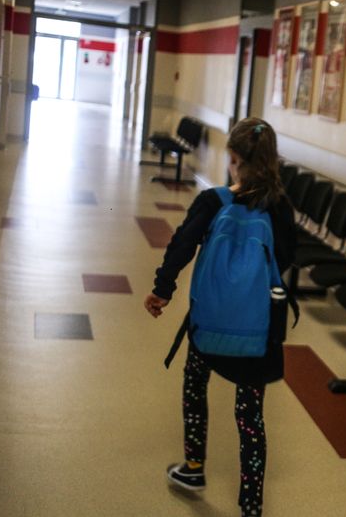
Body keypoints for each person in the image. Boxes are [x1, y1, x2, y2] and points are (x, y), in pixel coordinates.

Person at [144, 118, 296, 517]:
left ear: (233, 158)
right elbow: (286, 258)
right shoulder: (280, 208)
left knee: (195, 385)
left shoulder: (213, 202)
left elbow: (182, 245)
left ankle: (194, 467)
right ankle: (251, 506)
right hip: (258, 330)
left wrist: (162, 289)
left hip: (208, 323)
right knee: (250, 416)